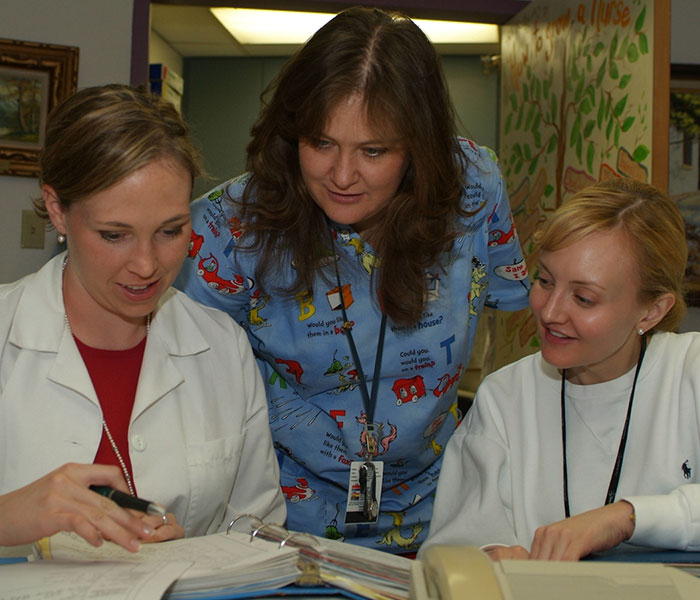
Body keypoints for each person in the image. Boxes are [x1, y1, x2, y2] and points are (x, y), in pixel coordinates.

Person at [175, 7, 529, 553]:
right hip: (276, 524)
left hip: (443, 515)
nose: (342, 176)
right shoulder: (226, 227)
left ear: (418, 149)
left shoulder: (473, 188)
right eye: (320, 144)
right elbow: (196, 384)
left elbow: (517, 333)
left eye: (374, 151)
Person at [0, 84, 285, 553]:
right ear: (57, 210)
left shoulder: (222, 348)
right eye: (115, 235)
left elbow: (257, 531)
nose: (147, 264)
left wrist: (190, 550)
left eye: (171, 231)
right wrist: (10, 517)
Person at [423, 177, 700, 561]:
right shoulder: (506, 397)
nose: (550, 313)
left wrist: (626, 517)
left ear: (652, 311)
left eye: (584, 298)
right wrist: (490, 557)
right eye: (545, 281)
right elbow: (453, 547)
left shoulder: (690, 371)